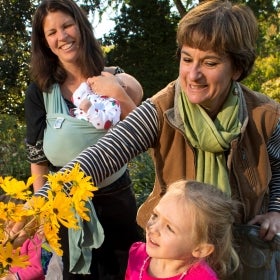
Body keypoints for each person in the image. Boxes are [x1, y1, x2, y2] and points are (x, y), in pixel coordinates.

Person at [17, 0, 280, 279]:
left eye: (210, 63)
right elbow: (103, 154)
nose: (193, 75)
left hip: (248, 255)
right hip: (179, 260)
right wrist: (41, 200)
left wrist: (276, 210)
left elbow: (278, 167)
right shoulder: (162, 109)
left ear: (236, 69)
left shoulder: (265, 115)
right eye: (187, 59)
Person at [24, 0, 143, 279]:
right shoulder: (40, 92)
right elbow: (37, 158)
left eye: (67, 25)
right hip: (67, 208)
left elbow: (141, 129)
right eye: (51, 32)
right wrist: (41, 209)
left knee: (126, 271)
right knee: (77, 273)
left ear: (81, 26)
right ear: (44, 41)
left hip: (116, 202)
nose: (62, 36)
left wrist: (116, 91)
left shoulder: (117, 78)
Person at [125, 180, 240, 280]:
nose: (153, 228)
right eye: (155, 215)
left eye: (169, 228)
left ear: (200, 249)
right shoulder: (138, 254)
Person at [72, 72, 143, 129]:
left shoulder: (114, 108)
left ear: (122, 87)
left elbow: (103, 122)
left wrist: (89, 109)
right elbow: (76, 99)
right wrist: (85, 86)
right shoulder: (98, 96)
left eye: (115, 77)